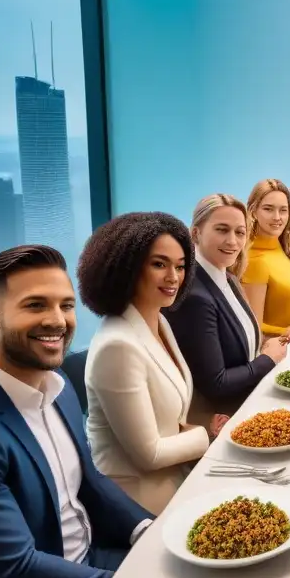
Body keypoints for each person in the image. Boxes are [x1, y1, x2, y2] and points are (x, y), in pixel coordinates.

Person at [0, 245, 153, 578]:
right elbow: (14, 574)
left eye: (66, 305)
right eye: (35, 305)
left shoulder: (57, 385)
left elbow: (91, 481)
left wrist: (148, 533)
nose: (56, 320)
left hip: (91, 560)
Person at [80, 213, 218, 515]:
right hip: (138, 502)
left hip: (176, 480)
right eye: (159, 264)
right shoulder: (117, 345)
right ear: (126, 267)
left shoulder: (158, 321)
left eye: (180, 266)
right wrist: (205, 435)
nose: (173, 277)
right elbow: (149, 455)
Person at [166, 194, 287, 422]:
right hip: (228, 418)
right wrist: (268, 359)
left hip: (251, 399)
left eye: (239, 232)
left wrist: (265, 347)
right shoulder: (194, 296)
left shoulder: (227, 277)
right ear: (196, 233)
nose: (233, 241)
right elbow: (216, 383)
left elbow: (240, 347)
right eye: (222, 230)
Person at [241, 178, 290, 337]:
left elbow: (279, 303)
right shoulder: (254, 260)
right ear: (253, 211)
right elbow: (254, 327)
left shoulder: (279, 247)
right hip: (275, 353)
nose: (277, 217)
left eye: (283, 210)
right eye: (268, 209)